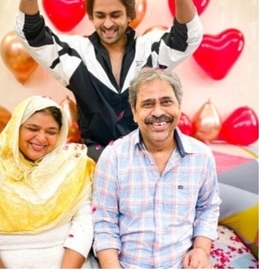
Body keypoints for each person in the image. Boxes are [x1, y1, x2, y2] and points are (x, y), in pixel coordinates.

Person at [15, 0, 203, 161]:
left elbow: (188, 37)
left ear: (129, 15)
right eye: (100, 16)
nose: (107, 24)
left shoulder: (149, 49)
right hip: (96, 160)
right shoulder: (76, 52)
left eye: (115, 15)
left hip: (147, 158)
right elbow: (32, 35)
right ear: (90, 16)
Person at [92, 68, 221, 268]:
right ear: (134, 113)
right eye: (147, 104)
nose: (158, 112)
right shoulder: (113, 157)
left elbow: (208, 207)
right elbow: (104, 222)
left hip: (182, 265)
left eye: (166, 101)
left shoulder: (201, 156)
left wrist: (201, 250)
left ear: (179, 106)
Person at [0, 95, 96, 268]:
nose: (41, 138)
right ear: (17, 128)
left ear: (60, 134)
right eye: (33, 128)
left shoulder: (74, 164)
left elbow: (84, 223)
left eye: (51, 132)